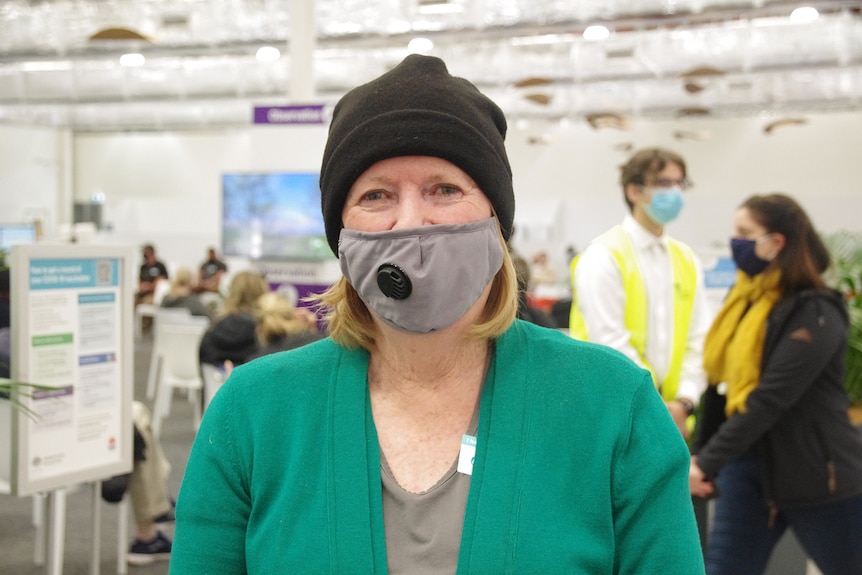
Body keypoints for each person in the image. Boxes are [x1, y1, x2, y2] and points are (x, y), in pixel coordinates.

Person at [170, 54, 704, 574]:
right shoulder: (253, 412)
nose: (410, 224)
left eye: (444, 189)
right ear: (341, 234)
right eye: (376, 195)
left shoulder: (614, 407)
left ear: (496, 220)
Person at [689, 193, 862, 575]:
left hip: (818, 476)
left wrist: (709, 460)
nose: (736, 241)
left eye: (745, 232)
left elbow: (770, 398)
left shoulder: (816, 311)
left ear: (776, 242)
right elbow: (721, 387)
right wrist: (701, 457)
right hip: (747, 472)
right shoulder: (744, 302)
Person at [569, 147, 710, 438]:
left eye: (679, 183)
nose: (674, 192)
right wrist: (656, 405)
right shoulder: (603, 256)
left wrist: (685, 401)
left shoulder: (686, 259)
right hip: (611, 414)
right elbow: (609, 341)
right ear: (634, 191)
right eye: (663, 183)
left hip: (675, 421)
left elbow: (699, 339)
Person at [197, 270, 269, 369]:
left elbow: (203, 359)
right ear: (261, 293)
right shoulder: (263, 332)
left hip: (216, 382)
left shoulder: (215, 327)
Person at [247, 291, 325, 360]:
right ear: (293, 316)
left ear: (259, 329)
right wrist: (312, 333)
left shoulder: (254, 363)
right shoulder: (318, 346)